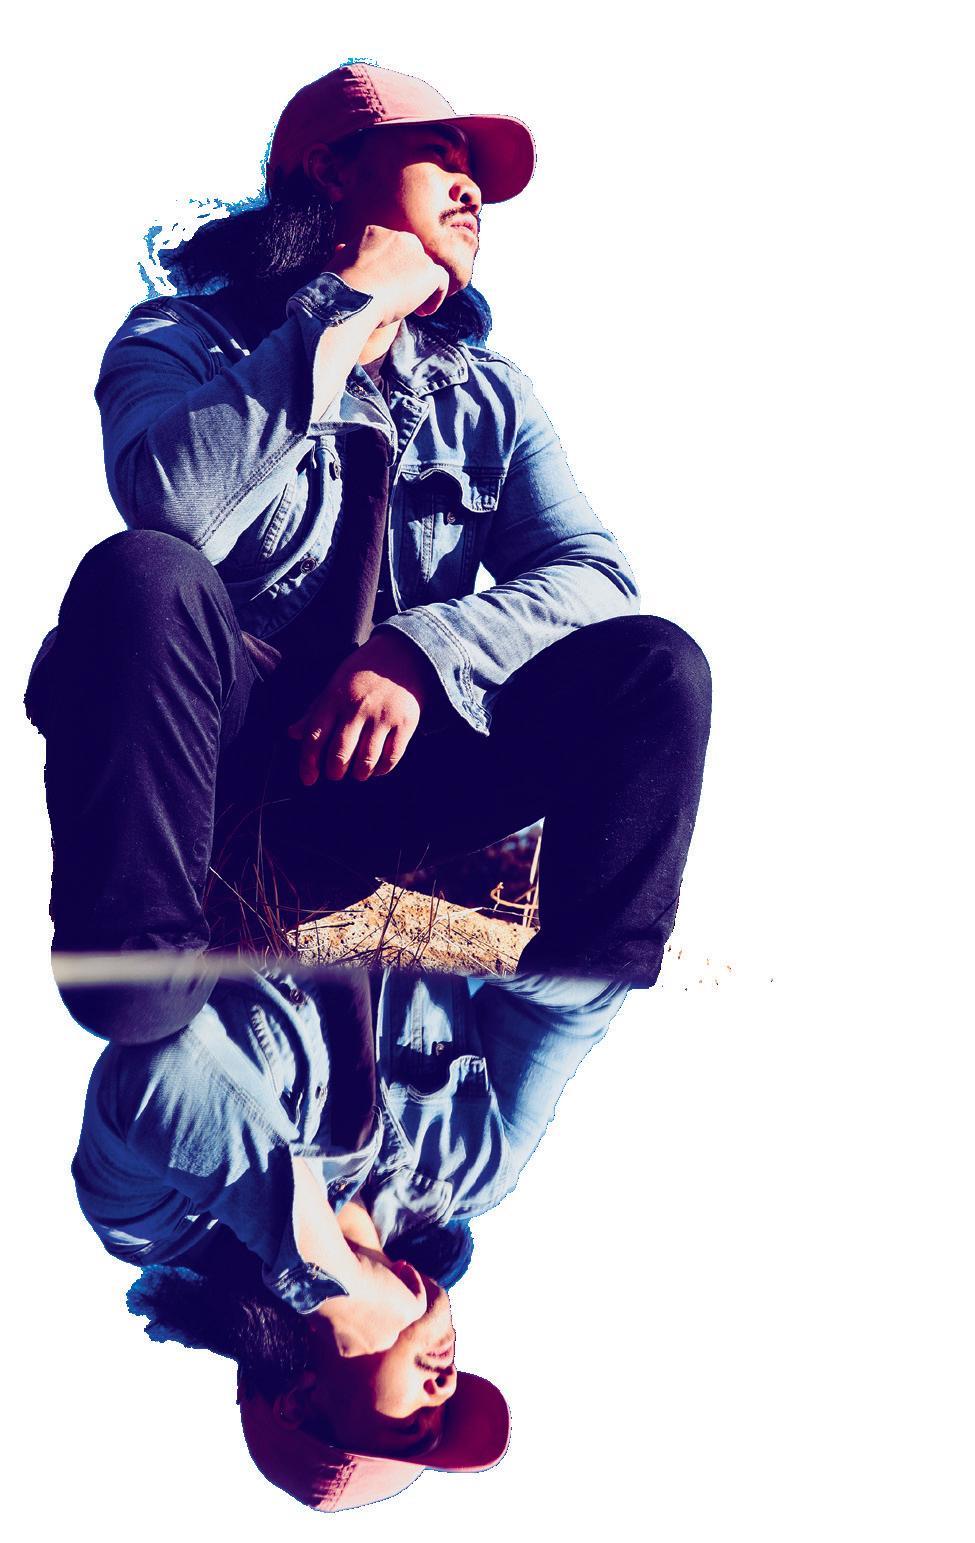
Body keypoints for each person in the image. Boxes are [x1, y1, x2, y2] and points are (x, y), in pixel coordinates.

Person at [26, 61, 711, 1033]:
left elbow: (595, 576)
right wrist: (343, 309)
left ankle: (573, 994)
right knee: (140, 574)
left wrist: (421, 651)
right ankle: (141, 980)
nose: (471, 189)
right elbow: (175, 509)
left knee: (655, 665)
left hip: (388, 774)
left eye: (475, 173)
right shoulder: (178, 341)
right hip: (213, 765)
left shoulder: (490, 395)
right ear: (331, 171)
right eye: (440, 155)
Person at [72, 964, 629, 1509]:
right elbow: (595, 979)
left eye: (411, 1425)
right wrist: (455, 941)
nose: (446, 1387)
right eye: (446, 1407)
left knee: (127, 1000)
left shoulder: (151, 1225)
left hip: (239, 910)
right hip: (431, 904)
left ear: (300, 1401)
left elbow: (159, 1069)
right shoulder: (471, 1173)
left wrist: (339, 1286)